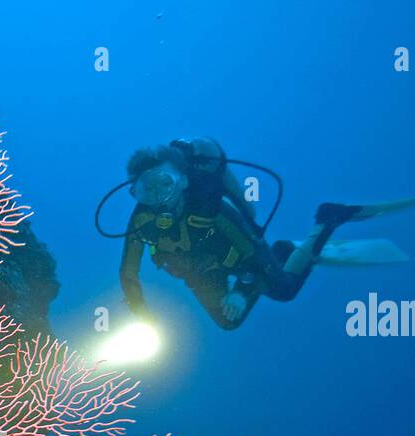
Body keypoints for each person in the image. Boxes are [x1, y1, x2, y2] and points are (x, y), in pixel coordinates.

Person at [118, 137, 361, 330]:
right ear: (135, 193)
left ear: (182, 182)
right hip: (202, 272)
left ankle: (326, 219)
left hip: (245, 259)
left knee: (284, 291)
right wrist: (142, 314)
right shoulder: (141, 221)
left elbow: (252, 252)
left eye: (165, 183)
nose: (158, 195)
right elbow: (129, 272)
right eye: (147, 189)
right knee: (228, 322)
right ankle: (282, 252)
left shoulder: (210, 209)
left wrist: (242, 292)